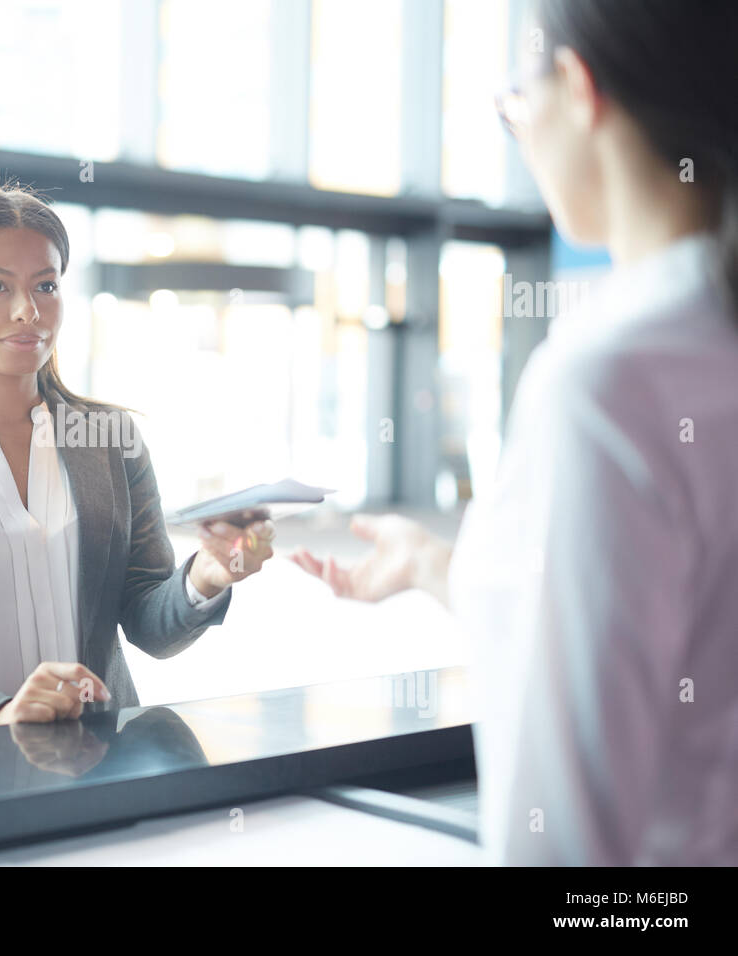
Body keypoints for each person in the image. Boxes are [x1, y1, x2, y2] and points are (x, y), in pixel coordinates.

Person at [291, 0, 738, 865]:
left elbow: (568, 844)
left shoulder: (611, 378)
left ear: (578, 88)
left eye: (513, 105)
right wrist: (437, 566)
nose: (521, 139)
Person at [0, 181, 272, 739]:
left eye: (46, 285)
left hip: (98, 762)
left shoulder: (109, 437)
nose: (28, 311)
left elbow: (149, 624)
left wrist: (204, 577)